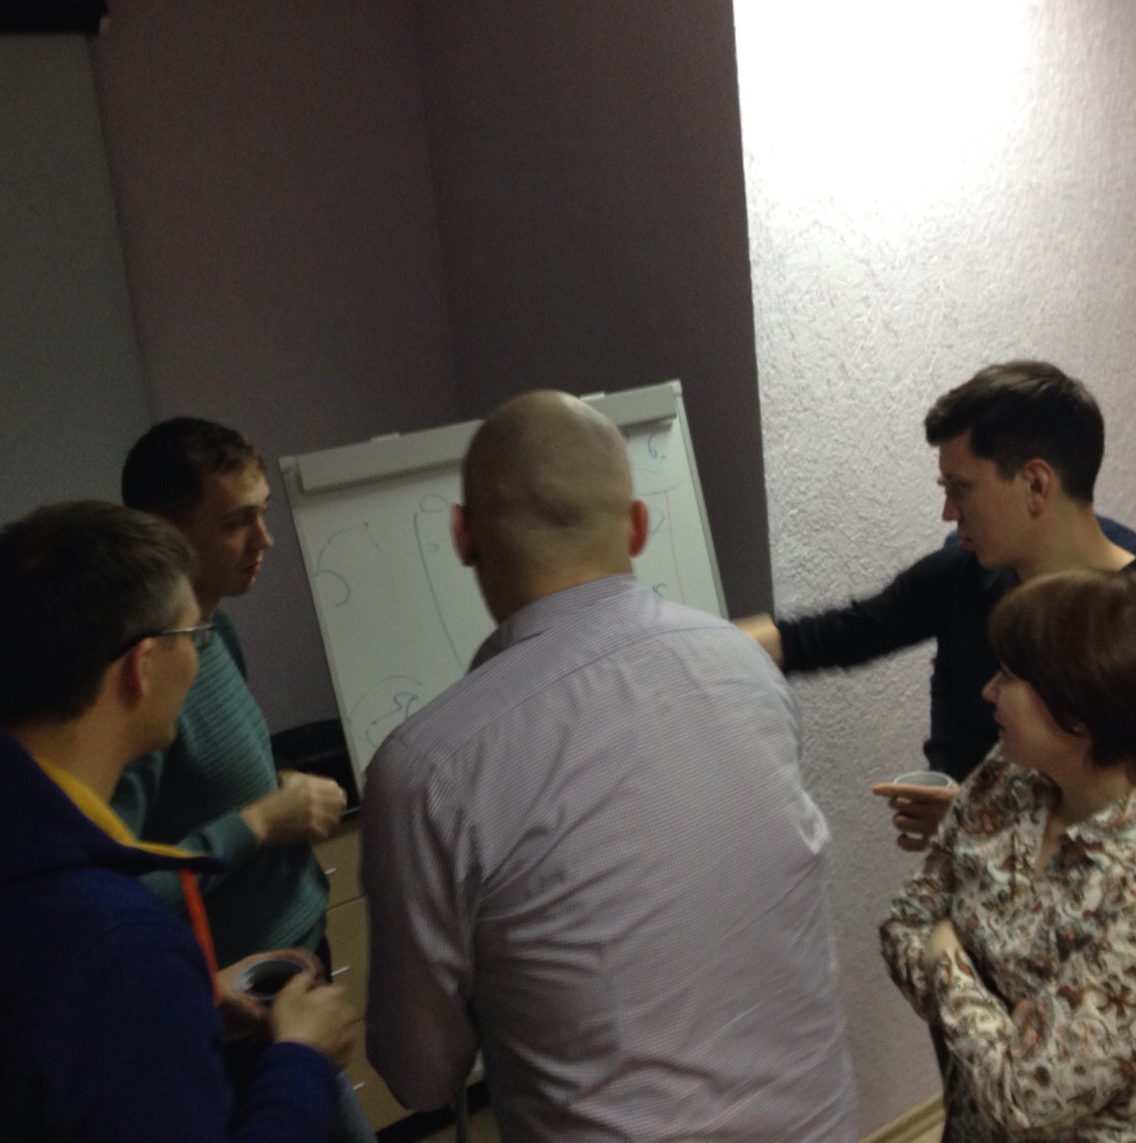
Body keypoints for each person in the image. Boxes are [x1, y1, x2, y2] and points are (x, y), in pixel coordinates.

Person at [359, 390, 859, 1142]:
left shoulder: (429, 770)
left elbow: (421, 1076)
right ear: (637, 525)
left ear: (463, 535)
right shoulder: (746, 668)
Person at [0, 501, 358, 1142]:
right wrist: (300, 1063)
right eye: (193, 637)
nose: (198, 659)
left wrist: (178, 1006)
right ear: (142, 667)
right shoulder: (117, 947)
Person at [735, 360, 1136, 846]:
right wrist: (700, 644)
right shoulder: (964, 573)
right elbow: (832, 637)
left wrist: (978, 820)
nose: (948, 512)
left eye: (961, 489)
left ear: (1036, 485)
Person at [880, 569, 1136, 1141]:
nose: (988, 691)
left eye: (1010, 676)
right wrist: (1003, 1029)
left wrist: (948, 961)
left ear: (1080, 710)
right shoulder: (1009, 777)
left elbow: (1023, 1097)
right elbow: (903, 925)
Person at [115, 418, 377, 1143]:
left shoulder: (216, 632)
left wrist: (276, 790)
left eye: (261, 513)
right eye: (237, 522)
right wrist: (263, 819)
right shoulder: (141, 686)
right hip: (234, 1006)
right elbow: (123, 890)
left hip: (297, 956)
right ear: (162, 532)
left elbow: (214, 784)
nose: (265, 539)